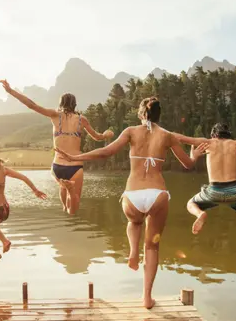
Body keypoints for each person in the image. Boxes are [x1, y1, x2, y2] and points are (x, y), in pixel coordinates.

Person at [56, 98, 208, 309]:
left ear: (140, 114)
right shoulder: (168, 136)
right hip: (157, 194)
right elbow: (188, 164)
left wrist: (76, 157)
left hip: (133, 195)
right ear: (158, 115)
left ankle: (133, 251)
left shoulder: (131, 131)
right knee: (153, 246)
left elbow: (106, 152)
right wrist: (195, 154)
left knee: (134, 222)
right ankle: (147, 297)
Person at [0, 79, 114, 215]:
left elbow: (32, 105)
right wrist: (106, 134)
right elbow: (97, 137)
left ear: (61, 104)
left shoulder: (55, 115)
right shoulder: (82, 120)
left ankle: (65, 193)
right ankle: (70, 190)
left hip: (57, 165)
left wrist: (10, 91)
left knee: (63, 198)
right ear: (75, 105)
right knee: (73, 210)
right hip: (75, 166)